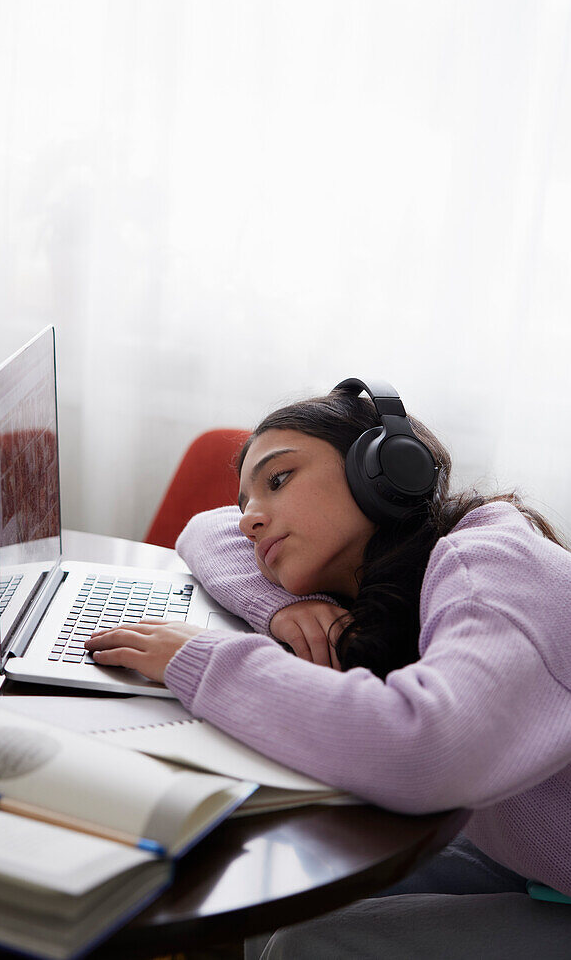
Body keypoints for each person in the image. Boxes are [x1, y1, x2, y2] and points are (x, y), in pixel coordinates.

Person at [85, 383, 571, 957]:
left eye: (279, 479)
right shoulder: (384, 583)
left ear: (387, 472)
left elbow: (424, 747)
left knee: (308, 944)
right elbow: (205, 529)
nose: (249, 522)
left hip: (534, 858)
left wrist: (202, 662)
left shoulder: (491, 562)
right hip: (536, 857)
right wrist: (282, 607)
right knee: (268, 892)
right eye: (247, 502)